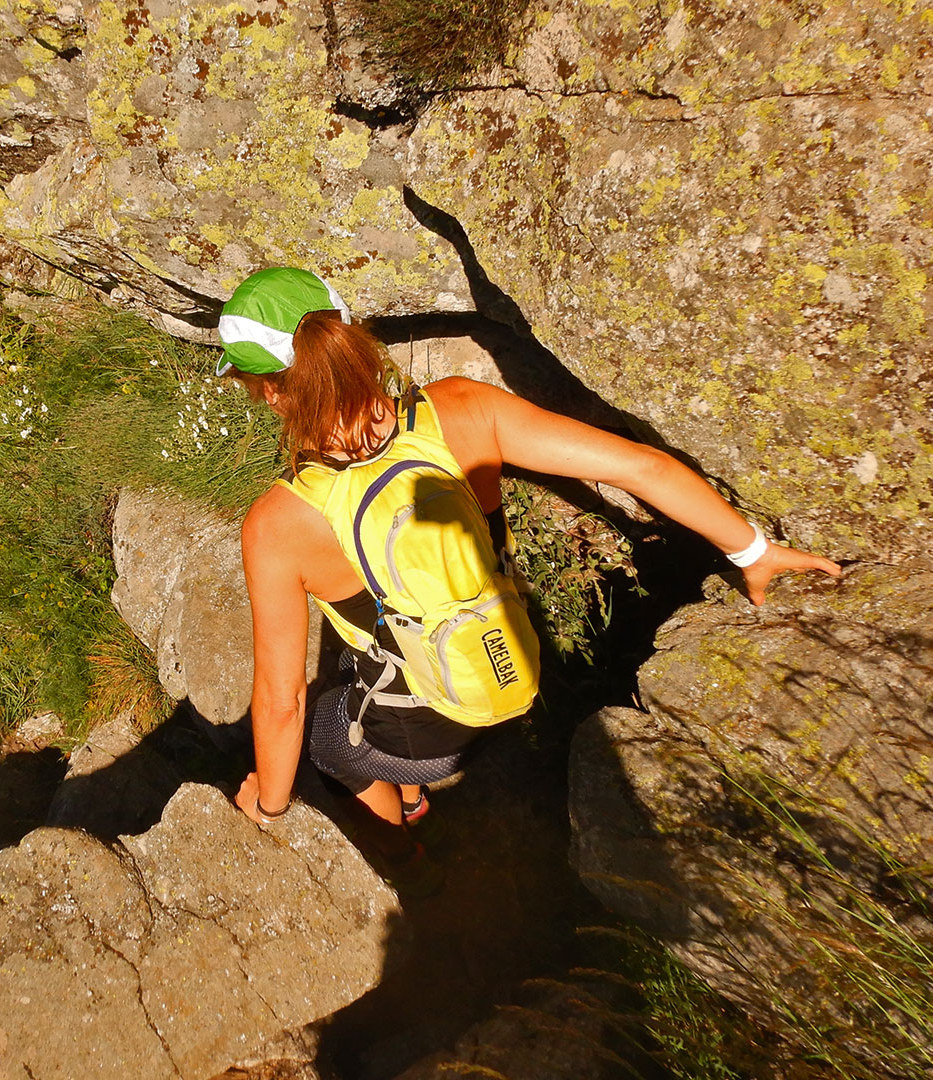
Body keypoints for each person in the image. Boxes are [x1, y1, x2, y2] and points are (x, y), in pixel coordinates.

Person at [217, 267, 840, 865]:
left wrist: (267, 807)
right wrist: (754, 553)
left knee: (330, 738)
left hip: (429, 725)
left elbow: (281, 702)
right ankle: (411, 790)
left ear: (272, 390)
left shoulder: (280, 523)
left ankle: (406, 846)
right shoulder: (463, 409)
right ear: (349, 333)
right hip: (514, 662)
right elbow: (642, 468)